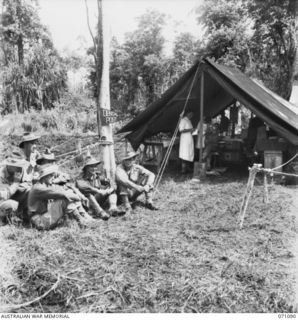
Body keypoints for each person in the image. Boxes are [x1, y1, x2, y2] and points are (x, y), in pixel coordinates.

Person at [28, 164, 90, 230]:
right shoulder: (39, 188)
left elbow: (65, 188)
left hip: (44, 217)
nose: (53, 178)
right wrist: (79, 198)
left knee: (68, 195)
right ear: (45, 177)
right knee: (65, 199)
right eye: (51, 176)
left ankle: (82, 218)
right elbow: (64, 194)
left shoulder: (45, 185)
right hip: (39, 221)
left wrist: (80, 196)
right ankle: (81, 220)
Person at [0, 132, 40, 224]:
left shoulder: (18, 170)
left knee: (29, 192)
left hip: (12, 196)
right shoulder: (1, 174)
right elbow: (3, 195)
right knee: (12, 205)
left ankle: (25, 216)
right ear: (9, 165)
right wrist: (15, 184)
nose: (19, 168)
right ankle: (7, 219)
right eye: (17, 166)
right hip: (3, 201)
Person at [76, 156, 123, 220]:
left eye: (95, 166)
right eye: (91, 166)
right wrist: (99, 191)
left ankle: (113, 209)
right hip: (85, 203)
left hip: (96, 200)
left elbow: (108, 181)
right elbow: (82, 186)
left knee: (110, 188)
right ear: (86, 168)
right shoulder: (81, 177)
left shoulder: (96, 176)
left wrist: (111, 187)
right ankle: (100, 212)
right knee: (88, 194)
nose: (94, 168)